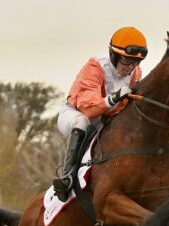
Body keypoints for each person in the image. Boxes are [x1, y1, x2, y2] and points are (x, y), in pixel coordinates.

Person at [52, 26, 148, 200]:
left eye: (136, 62)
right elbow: (88, 110)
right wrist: (114, 98)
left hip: (106, 120)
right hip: (75, 114)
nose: (131, 67)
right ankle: (67, 177)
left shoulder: (136, 73)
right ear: (114, 55)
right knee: (82, 123)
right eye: (127, 61)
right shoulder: (95, 66)